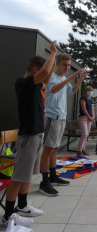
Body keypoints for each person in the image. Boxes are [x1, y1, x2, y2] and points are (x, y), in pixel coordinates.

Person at [2, 41, 56, 226]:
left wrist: (54, 63)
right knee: (18, 177)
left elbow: (46, 77)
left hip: (37, 135)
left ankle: (22, 205)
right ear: (35, 70)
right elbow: (44, 74)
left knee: (27, 175)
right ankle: (8, 215)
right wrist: (53, 53)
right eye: (41, 73)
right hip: (28, 136)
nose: (45, 79)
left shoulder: (35, 86)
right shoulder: (23, 83)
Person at [40, 53, 87, 196]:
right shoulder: (52, 77)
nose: (67, 67)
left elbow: (72, 91)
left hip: (61, 117)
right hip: (51, 117)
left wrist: (80, 80)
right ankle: (44, 182)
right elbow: (53, 90)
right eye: (64, 65)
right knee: (47, 150)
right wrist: (72, 77)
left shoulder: (62, 78)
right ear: (57, 64)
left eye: (68, 65)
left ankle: (53, 176)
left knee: (54, 149)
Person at [77, 86, 95, 157]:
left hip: (89, 119)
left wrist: (92, 116)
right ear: (86, 91)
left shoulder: (90, 100)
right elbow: (84, 108)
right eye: (89, 90)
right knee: (84, 134)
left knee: (87, 135)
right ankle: (79, 151)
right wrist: (88, 116)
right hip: (83, 118)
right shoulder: (83, 98)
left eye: (91, 90)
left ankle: (83, 149)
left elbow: (91, 109)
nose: (90, 92)